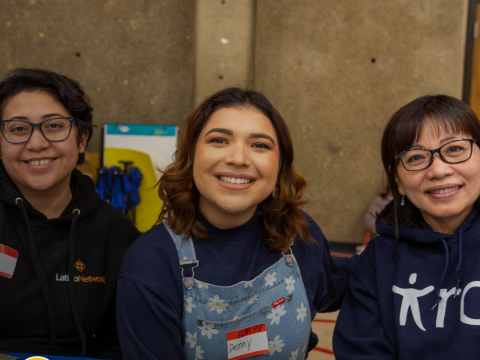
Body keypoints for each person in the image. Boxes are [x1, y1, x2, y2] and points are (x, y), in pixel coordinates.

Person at [117, 87, 353, 360]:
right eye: (219, 140)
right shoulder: (150, 264)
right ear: (191, 153)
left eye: (260, 145)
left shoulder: (297, 234)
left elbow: (337, 287)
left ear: (280, 164)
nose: (238, 159)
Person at [0, 68, 139, 358]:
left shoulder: (116, 234)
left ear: (82, 139)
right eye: (17, 129)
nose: (36, 144)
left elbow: (124, 341)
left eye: (53, 126)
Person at [333, 95, 480, 359]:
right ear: (397, 181)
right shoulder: (378, 260)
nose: (438, 170)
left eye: (455, 149)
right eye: (415, 158)